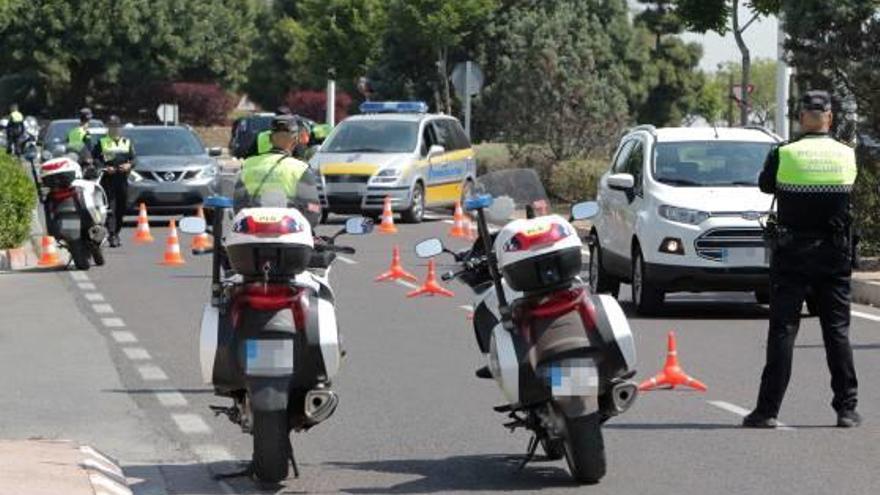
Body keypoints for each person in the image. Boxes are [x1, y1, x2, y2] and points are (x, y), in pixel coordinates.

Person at [744, 90, 860, 429]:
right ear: (830, 118)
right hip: (834, 254)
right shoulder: (846, 155)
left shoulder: (783, 153)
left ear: (800, 119)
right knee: (836, 332)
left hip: (791, 253)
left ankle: (767, 411)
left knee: (783, 331)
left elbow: (766, 186)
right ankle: (847, 409)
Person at [234, 115, 321, 227]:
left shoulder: (247, 165)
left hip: (252, 234)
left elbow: (238, 205)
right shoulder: (301, 169)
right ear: (295, 140)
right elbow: (313, 210)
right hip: (290, 236)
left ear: (270, 139)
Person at [92, 115, 135, 248]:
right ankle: (112, 235)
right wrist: (105, 168)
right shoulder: (102, 142)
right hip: (108, 180)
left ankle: (116, 232)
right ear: (108, 127)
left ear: (119, 127)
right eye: (111, 126)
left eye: (116, 126)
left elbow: (134, 159)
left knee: (122, 209)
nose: (114, 128)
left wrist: (129, 165)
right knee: (111, 208)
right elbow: (95, 160)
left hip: (122, 180)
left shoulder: (126, 142)